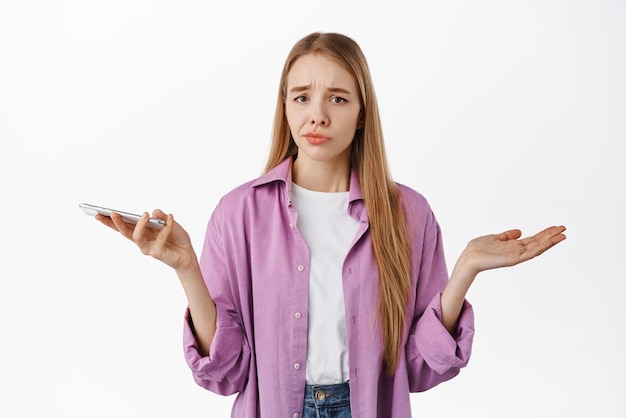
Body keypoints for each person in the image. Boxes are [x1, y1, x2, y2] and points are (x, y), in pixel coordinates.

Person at [95, 32, 566, 418]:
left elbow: (422, 370)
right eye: (302, 96)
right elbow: (226, 373)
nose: (317, 113)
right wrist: (186, 268)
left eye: (338, 98)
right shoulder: (239, 213)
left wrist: (465, 270)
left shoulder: (409, 215)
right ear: (285, 107)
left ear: (362, 114)